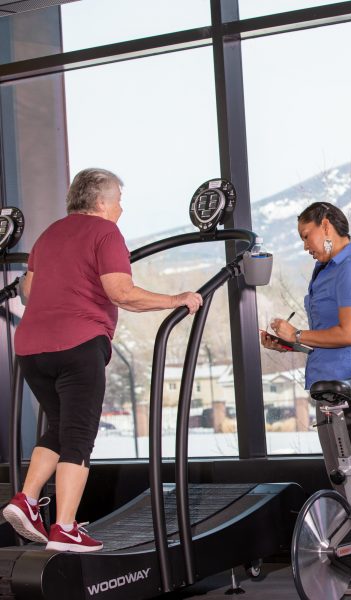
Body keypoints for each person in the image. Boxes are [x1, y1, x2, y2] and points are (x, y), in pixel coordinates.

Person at [1, 168, 203, 552]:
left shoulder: (49, 235)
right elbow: (122, 293)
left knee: (60, 427)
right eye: (118, 201)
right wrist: (176, 300)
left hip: (30, 350)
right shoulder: (105, 233)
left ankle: (26, 500)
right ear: (101, 202)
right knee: (79, 436)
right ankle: (64, 528)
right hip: (77, 346)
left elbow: (28, 291)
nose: (121, 209)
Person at [261, 201, 351, 489]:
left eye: (306, 236)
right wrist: (289, 344)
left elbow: (350, 334)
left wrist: (297, 334)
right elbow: (327, 338)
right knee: (342, 483)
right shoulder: (326, 269)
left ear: (326, 225)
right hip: (329, 386)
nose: (305, 246)